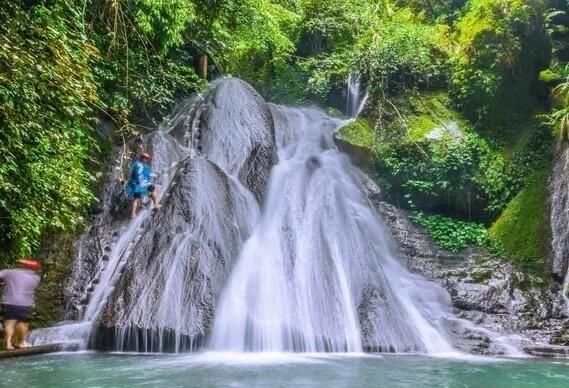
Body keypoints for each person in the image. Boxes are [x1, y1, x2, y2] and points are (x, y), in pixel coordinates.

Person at [0, 259, 41, 349]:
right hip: (24, 303)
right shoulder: (35, 278)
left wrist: (5, 283)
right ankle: (22, 342)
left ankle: (8, 344)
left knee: (9, 323)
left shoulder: (10, 273)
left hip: (10, 302)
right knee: (22, 323)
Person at [127, 151, 161, 219]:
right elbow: (139, 175)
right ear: (141, 157)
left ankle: (133, 214)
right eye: (144, 157)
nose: (145, 159)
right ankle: (156, 205)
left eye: (147, 158)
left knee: (136, 198)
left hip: (135, 185)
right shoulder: (138, 165)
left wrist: (155, 175)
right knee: (153, 189)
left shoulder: (141, 165)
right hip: (139, 184)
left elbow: (148, 174)